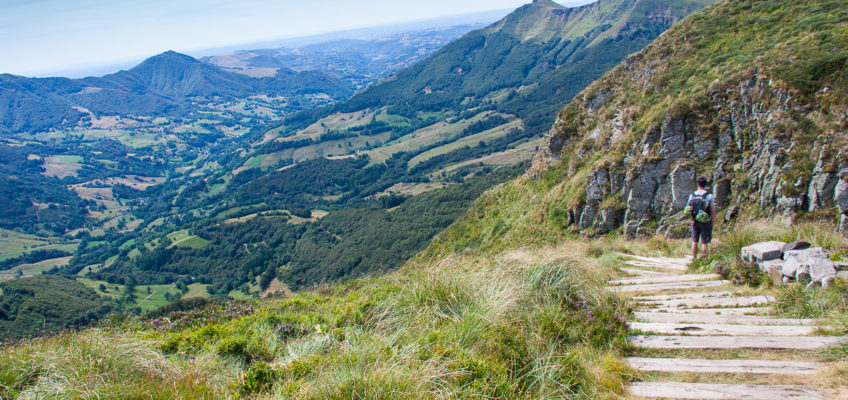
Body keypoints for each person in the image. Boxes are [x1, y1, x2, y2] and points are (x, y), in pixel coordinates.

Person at [687, 176, 716, 261]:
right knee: (704, 242)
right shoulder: (709, 196)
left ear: (697, 184)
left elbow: (688, 208)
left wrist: (691, 218)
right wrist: (712, 219)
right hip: (705, 221)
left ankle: (694, 258)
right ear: (705, 184)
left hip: (695, 221)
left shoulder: (692, 195)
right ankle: (704, 260)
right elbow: (713, 209)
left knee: (694, 240)